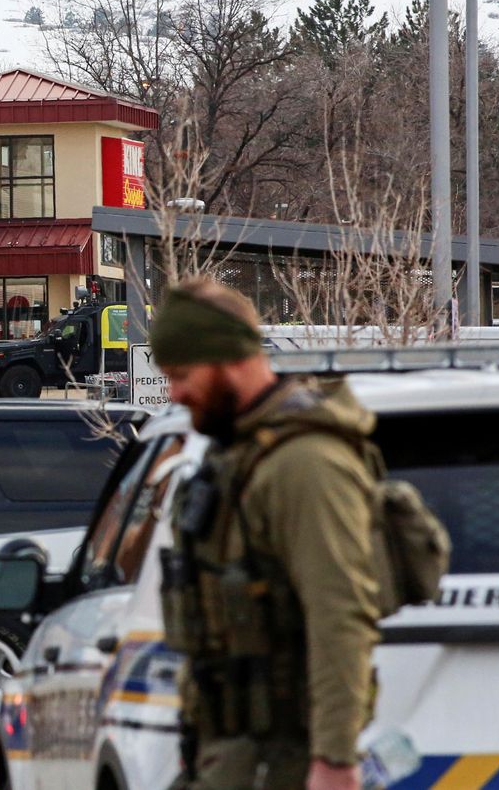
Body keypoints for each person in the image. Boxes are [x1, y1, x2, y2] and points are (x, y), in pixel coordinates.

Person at [150, 278, 380, 790]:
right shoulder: (236, 450)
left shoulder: (305, 463)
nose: (175, 392)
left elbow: (339, 611)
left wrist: (335, 761)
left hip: (287, 761)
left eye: (182, 374)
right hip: (234, 756)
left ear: (229, 359)